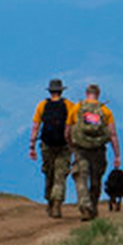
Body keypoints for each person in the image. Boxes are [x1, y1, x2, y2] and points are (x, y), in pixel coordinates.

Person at [67, 84, 120, 221]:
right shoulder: (105, 111)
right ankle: (94, 206)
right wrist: (117, 155)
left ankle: (85, 206)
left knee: (80, 177)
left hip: (80, 149)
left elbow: (67, 130)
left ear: (86, 94)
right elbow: (113, 134)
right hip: (98, 150)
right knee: (96, 179)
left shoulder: (77, 108)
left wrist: (71, 145)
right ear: (98, 94)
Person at [29, 79, 75, 218]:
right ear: (61, 91)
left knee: (49, 174)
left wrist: (32, 145)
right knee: (60, 176)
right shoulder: (69, 105)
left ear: (49, 91)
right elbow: (73, 126)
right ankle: (57, 204)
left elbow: (36, 126)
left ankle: (49, 201)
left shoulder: (42, 105)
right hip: (64, 145)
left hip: (46, 145)